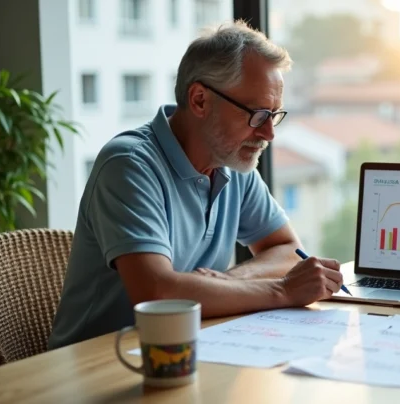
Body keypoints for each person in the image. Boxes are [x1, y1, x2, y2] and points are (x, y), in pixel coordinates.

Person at [48, 21, 344, 350]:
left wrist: (230, 281)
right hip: (100, 365)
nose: (268, 134)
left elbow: (288, 249)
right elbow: (158, 293)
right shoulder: (129, 164)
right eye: (257, 115)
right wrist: (283, 290)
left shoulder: (234, 162)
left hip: (188, 348)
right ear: (200, 100)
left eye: (274, 115)